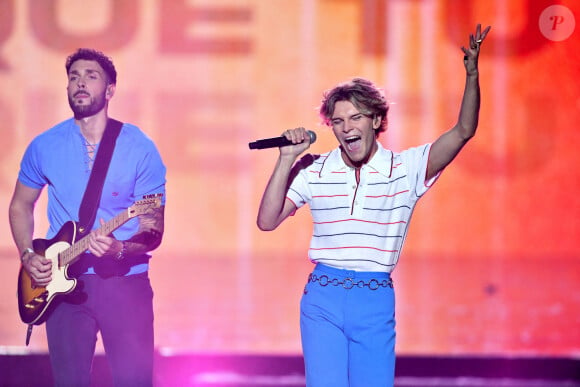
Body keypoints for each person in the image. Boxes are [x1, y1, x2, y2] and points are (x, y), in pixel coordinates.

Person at [256, 24, 491, 386]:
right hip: (322, 298)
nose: (347, 127)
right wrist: (286, 158)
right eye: (338, 121)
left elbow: (463, 131)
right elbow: (267, 221)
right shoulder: (313, 168)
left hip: (374, 299)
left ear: (376, 120)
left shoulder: (407, 168)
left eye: (356, 117)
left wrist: (472, 75)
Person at [9, 48, 166, 386]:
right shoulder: (44, 145)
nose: (80, 83)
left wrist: (119, 250)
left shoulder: (139, 148)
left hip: (124, 283)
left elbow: (153, 229)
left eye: (90, 76)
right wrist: (27, 254)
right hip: (62, 286)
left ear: (110, 90)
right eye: (74, 77)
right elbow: (20, 205)